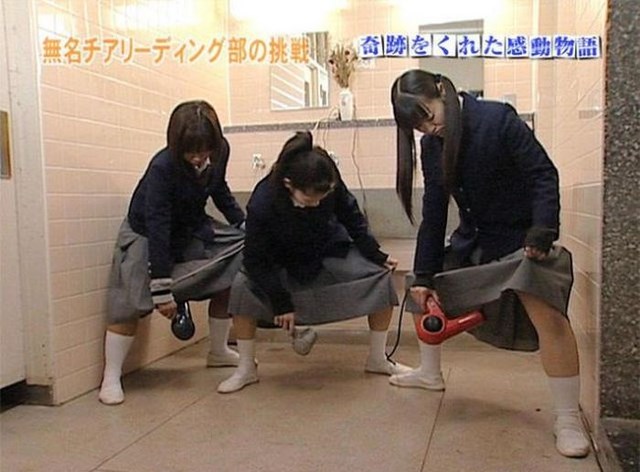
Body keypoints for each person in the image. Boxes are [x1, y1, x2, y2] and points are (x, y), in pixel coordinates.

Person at [389, 70, 590, 458]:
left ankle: (567, 418)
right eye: (419, 127)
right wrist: (425, 275)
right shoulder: (433, 147)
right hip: (476, 245)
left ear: (442, 91)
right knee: (418, 287)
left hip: (523, 244)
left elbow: (542, 175)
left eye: (429, 116)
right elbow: (434, 212)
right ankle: (429, 373)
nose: (429, 129)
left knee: (548, 314)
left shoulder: (497, 119)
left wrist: (542, 230)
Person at [217, 131, 409, 393]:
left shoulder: (326, 177)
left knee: (380, 276)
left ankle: (377, 358)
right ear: (288, 184)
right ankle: (246, 368)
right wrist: (281, 303)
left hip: (326, 249)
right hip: (278, 260)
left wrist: (377, 255)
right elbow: (255, 259)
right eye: (310, 199)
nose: (318, 203)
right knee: (241, 286)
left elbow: (351, 216)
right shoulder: (263, 201)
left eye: (322, 197)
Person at [99, 100, 245, 405]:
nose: (199, 157)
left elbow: (218, 188)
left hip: (190, 225)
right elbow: (158, 225)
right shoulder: (162, 167)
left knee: (242, 252)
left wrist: (241, 222)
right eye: (191, 152)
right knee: (127, 299)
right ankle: (110, 376)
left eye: (205, 150)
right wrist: (162, 288)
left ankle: (218, 351)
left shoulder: (220, 150)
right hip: (146, 232)